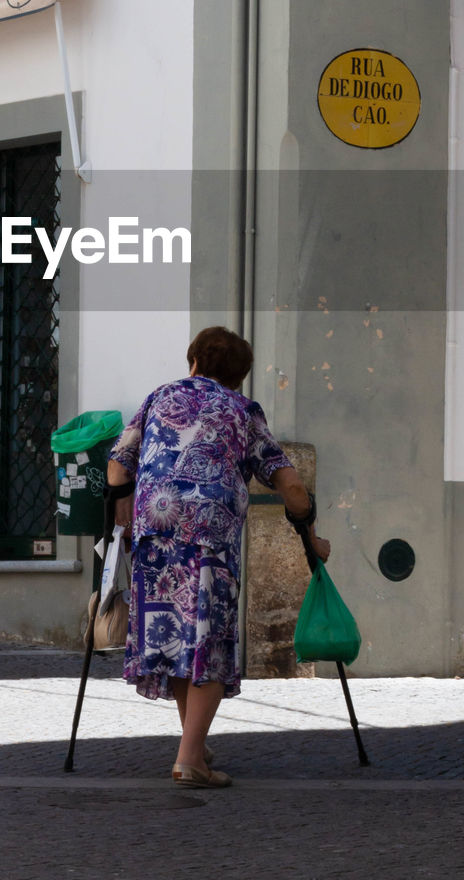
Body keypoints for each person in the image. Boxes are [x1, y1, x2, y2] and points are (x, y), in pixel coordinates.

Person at [107, 325, 330, 789]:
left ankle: (195, 740)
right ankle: (189, 760)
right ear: (239, 376)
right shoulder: (241, 411)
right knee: (207, 638)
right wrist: (309, 529)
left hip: (155, 531)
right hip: (210, 537)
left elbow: (116, 464)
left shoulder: (158, 398)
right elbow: (288, 484)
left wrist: (124, 505)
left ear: (193, 361)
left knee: (173, 633)